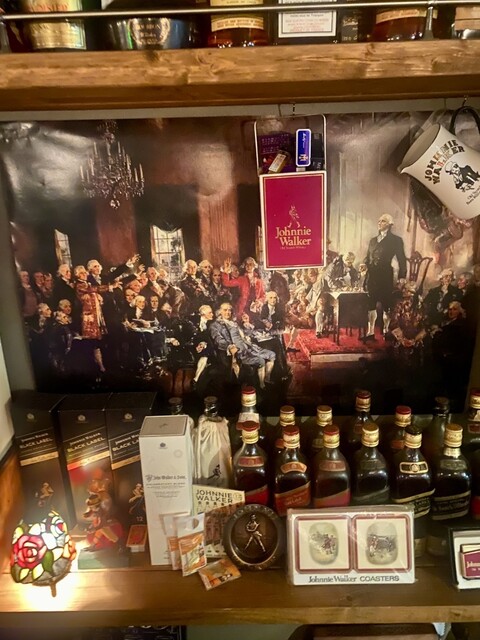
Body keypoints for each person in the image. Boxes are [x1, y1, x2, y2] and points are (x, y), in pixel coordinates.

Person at [209, 302, 275, 389]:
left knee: (271, 355)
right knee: (261, 361)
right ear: (219, 312)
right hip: (239, 352)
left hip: (249, 347)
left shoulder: (234, 323)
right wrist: (229, 346)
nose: (228, 312)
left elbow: (245, 334)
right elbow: (218, 340)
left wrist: (247, 325)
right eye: (225, 310)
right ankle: (262, 385)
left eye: (229, 310)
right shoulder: (215, 325)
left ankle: (266, 379)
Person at [362, 213, 407, 342]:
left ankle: (386, 331)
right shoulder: (373, 240)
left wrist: (402, 276)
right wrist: (364, 265)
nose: (379, 223)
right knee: (371, 304)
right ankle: (370, 332)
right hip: (372, 276)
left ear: (389, 224)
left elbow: (402, 259)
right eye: (379, 221)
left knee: (386, 304)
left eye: (383, 221)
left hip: (385, 275)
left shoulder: (396, 240)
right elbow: (368, 257)